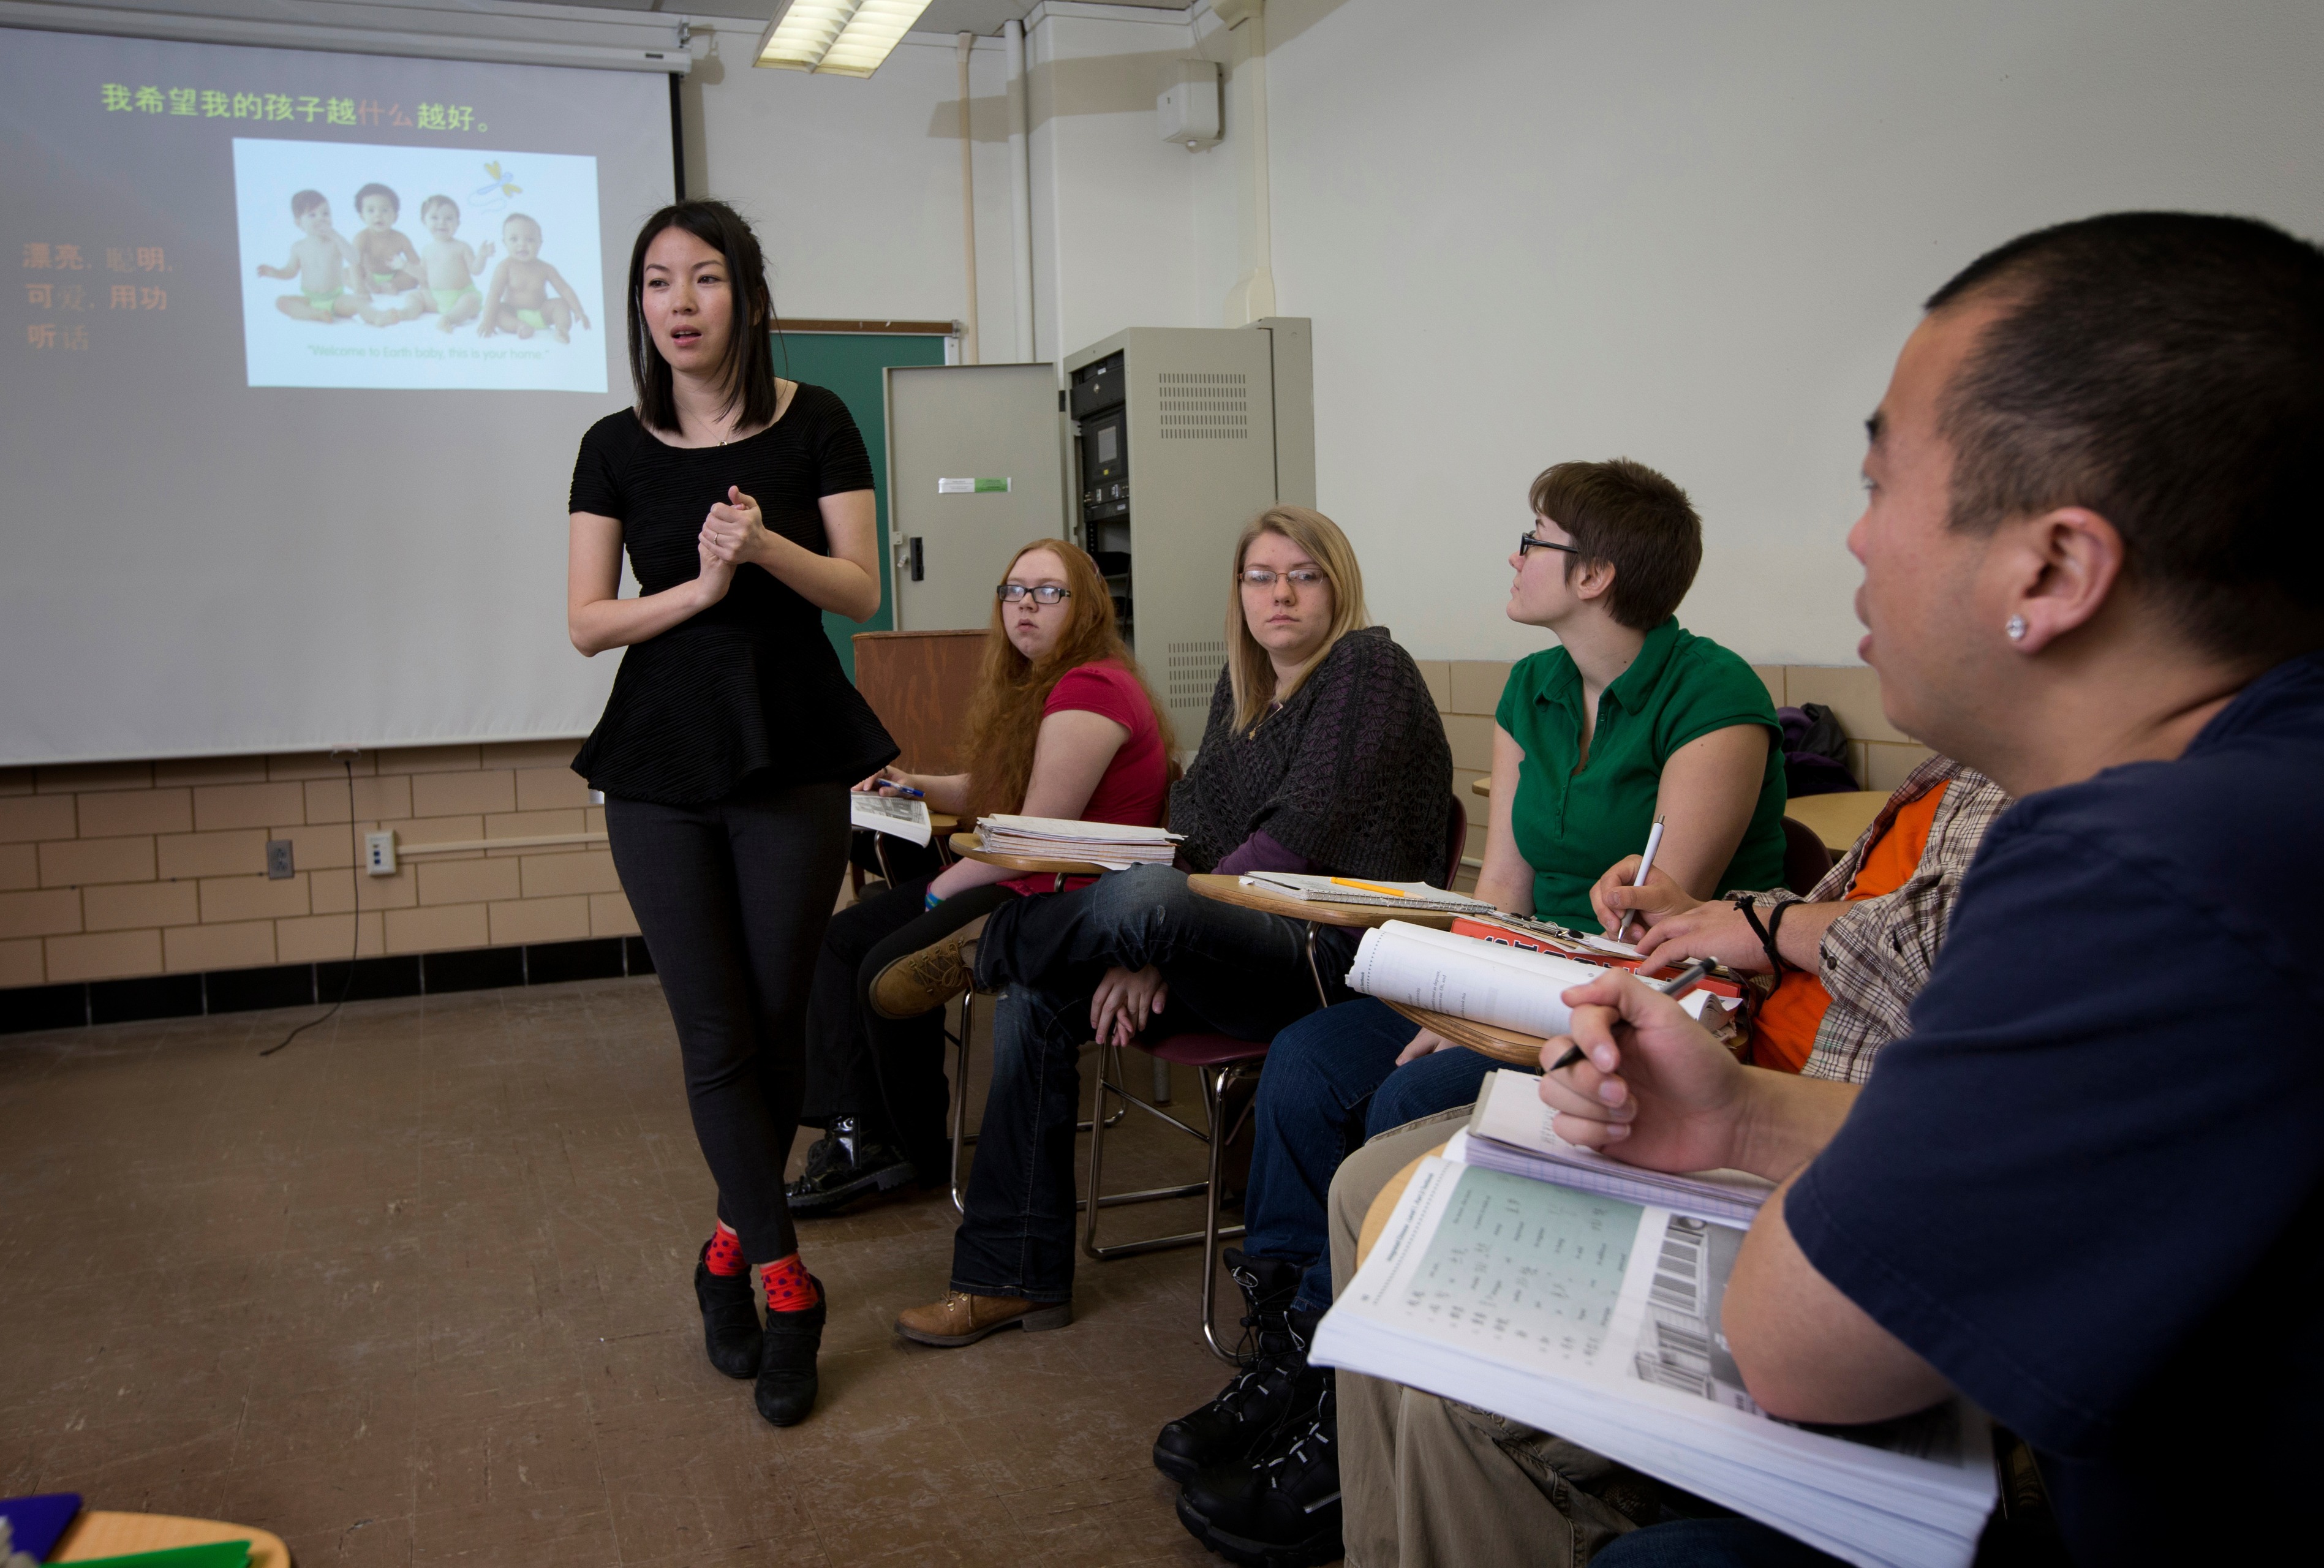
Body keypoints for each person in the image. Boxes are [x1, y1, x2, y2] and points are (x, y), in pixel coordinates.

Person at [1345, 211, 2324, 1568]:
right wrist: (1743, 1112)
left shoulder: (2145, 861)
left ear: (2050, 566)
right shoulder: (2258, 783)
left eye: (1880, 485)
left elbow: (1801, 1351)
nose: (1853, 543)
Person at [1165, 460, 1788, 1567]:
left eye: (1532, 539)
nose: (1511, 554)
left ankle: (1336, 1414)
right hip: (1519, 979)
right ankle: (1289, 1352)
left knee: (1403, 1093)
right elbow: (1498, 887)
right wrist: (1448, 996)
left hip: (1627, 1007)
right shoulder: (1529, 689)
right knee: (1309, 1059)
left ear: (1592, 573)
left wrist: (1470, 1020)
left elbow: (1662, 915)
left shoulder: (1716, 694)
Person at [891, 505, 1453, 1349]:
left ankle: (992, 946)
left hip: (1330, 955)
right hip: (1232, 941)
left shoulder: (1369, 669)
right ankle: (1010, 1275)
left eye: (1304, 576)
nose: (1281, 595)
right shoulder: (1247, 687)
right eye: (1260, 577)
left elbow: (1293, 833)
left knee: (1139, 899)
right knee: (1043, 991)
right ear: (1238, 593)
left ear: (1337, 588)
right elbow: (1194, 824)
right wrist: (1164, 938)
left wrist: (1160, 939)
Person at [565, 197, 893, 1428]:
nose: (682, 303)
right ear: (641, 306)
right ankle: (784, 1278)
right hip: (655, 762)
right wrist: (699, 585)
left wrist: (765, 552)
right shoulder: (612, 443)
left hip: (792, 745)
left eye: (705, 280)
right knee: (713, 1033)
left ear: (747, 298)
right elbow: (588, 620)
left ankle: (720, 1247)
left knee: (777, 1016)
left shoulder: (819, 420)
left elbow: (857, 588)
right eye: (658, 283)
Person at [788, 537, 1173, 1216]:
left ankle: (898, 1147)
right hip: (1035, 876)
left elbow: (1035, 830)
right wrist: (912, 786)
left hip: (1064, 891)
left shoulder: (1091, 687)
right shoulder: (1044, 683)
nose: (1024, 605)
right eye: (1013, 591)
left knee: (881, 960)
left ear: (1084, 608)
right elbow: (996, 789)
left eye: (1047, 591)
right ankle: (868, 1138)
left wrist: (941, 889)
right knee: (845, 940)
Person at [255, 190, 364, 324]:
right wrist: (275, 273)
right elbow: (290, 271)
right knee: (281, 302)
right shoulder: (298, 247)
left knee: (359, 302)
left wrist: (336, 236)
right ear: (299, 223)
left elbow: (355, 259)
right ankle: (315, 314)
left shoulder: (336, 243)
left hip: (336, 300)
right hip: (310, 301)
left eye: (326, 213)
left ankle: (378, 317)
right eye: (312, 215)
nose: (321, 218)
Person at [483, 213, 590, 343]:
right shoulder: (505, 267)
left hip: (541, 313)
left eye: (530, 240)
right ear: (505, 243)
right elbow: (494, 294)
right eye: (514, 239)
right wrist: (487, 320)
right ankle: (521, 327)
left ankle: (561, 330)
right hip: (513, 314)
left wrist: (579, 311)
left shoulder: (546, 268)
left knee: (561, 304)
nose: (522, 244)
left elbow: (565, 289)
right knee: (498, 311)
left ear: (540, 243)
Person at [415, 194, 492, 334]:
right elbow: (423, 276)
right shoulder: (426, 250)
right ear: (424, 221)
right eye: (435, 218)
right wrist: (423, 289)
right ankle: (407, 312)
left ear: (458, 223)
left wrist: (482, 256)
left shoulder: (462, 247)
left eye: (449, 218)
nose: (442, 222)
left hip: (461, 296)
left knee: (472, 301)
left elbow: (475, 270)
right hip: (436, 298)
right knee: (414, 296)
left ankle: (449, 319)